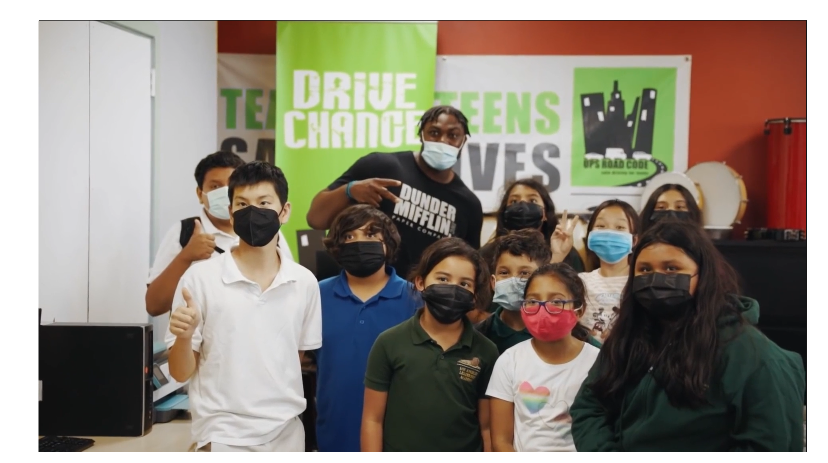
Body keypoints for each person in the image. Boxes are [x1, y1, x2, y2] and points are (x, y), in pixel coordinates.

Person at [570, 219, 806, 451]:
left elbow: (769, 445)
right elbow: (589, 406)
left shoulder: (754, 357)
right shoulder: (628, 337)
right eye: (645, 270)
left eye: (672, 268)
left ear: (704, 274)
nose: (656, 279)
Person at [165, 161, 321, 452]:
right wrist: (184, 337)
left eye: (264, 203)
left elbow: (294, 359)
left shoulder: (304, 282)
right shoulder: (199, 279)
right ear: (231, 212)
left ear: (284, 211)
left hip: (287, 434)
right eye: (242, 204)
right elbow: (179, 373)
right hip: (223, 436)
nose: (253, 211)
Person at [306, 105, 483, 278]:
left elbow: (470, 268)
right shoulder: (381, 166)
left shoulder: (468, 205)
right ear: (421, 135)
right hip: (357, 286)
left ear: (463, 141)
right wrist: (349, 190)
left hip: (419, 295)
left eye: (453, 135)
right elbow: (315, 219)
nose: (443, 141)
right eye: (434, 133)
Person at [360, 238, 498, 452]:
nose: (452, 289)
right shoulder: (389, 343)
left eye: (464, 284)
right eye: (443, 279)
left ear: (474, 296)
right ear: (420, 282)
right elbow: (372, 420)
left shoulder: (486, 351)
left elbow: (487, 427)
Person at [315, 205, 421, 452]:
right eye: (349, 236)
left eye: (371, 234)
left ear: (388, 243)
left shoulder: (415, 299)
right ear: (337, 245)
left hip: (399, 436)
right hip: (334, 432)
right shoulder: (316, 294)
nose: (359, 242)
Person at [146, 151, 293, 317]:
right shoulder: (183, 232)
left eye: (230, 184)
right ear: (200, 194)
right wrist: (186, 256)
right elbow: (154, 306)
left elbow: (290, 288)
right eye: (215, 186)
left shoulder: (270, 232)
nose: (224, 192)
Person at [487, 263, 600, 452]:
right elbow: (501, 441)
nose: (543, 309)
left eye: (556, 301)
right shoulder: (510, 361)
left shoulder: (599, 362)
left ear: (579, 310)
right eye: (532, 301)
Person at [479, 179, 584, 274]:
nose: (522, 205)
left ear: (545, 213)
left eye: (533, 201)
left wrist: (557, 257)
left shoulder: (566, 253)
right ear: (505, 212)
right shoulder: (486, 254)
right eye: (514, 201)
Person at [474, 229, 550, 354]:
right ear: (493, 282)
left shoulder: (556, 331)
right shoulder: (478, 336)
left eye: (524, 273)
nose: (513, 280)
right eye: (504, 273)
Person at [578, 200, 640, 343]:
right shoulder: (579, 281)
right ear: (590, 235)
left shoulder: (640, 282)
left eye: (620, 227)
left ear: (634, 240)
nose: (609, 233)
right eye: (601, 226)